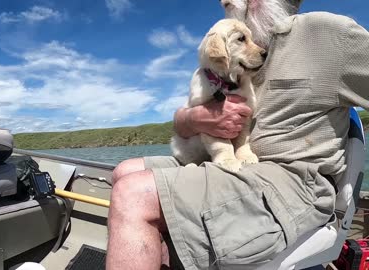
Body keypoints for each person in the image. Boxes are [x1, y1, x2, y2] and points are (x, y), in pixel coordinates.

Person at [106, 0, 369, 269]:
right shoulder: (236, 58)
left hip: (293, 182)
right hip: (231, 166)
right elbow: (184, 125)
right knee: (124, 171)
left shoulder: (328, 34)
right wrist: (192, 118)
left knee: (133, 195)